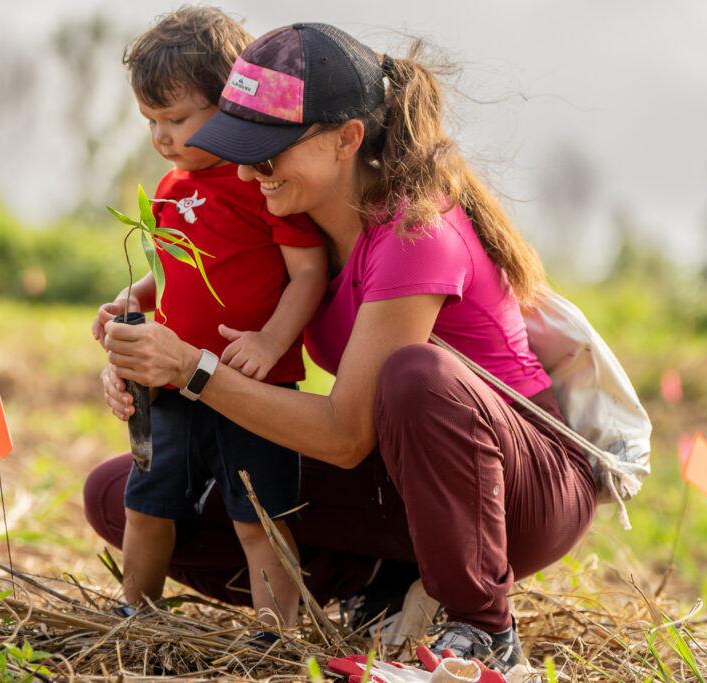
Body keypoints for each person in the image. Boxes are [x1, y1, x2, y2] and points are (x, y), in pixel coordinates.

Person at [87, 22, 598, 673]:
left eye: (268, 151)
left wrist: (190, 369)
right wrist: (141, 354)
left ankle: (482, 622)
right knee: (119, 494)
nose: (248, 169)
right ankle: (382, 584)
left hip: (522, 484)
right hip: (405, 485)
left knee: (416, 375)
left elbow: (344, 434)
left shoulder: (414, 230)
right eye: (238, 147)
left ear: (345, 139)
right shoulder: (296, 230)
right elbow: (200, 296)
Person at [90, 8, 328, 630]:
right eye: (151, 122)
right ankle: (134, 616)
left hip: (253, 386)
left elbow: (308, 273)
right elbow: (171, 272)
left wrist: (272, 340)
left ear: (230, 106)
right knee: (147, 506)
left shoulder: (262, 180)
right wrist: (130, 299)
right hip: (169, 385)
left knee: (259, 521)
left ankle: (281, 636)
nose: (163, 137)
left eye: (177, 118)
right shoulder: (170, 187)